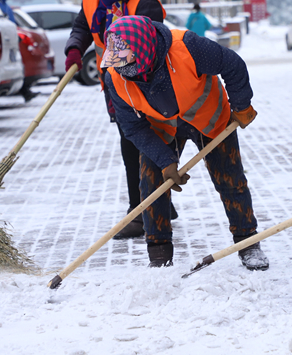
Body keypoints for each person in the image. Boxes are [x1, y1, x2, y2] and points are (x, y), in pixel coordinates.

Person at [101, 15, 268, 270]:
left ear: (143, 49)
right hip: (161, 126)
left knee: (230, 179)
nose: (123, 69)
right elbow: (132, 126)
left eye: (127, 61)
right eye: (117, 62)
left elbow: (232, 64)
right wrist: (165, 160)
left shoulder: (187, 47)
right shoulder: (115, 77)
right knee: (151, 184)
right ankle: (159, 253)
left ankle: (248, 243)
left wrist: (241, 105)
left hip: (210, 116)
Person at [63, 0, 176, 239]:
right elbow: (83, 25)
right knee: (132, 145)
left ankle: (140, 211)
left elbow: (153, 50)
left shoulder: (144, 3)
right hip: (113, 86)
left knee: (138, 145)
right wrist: (75, 48)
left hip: (142, 86)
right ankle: (157, 201)